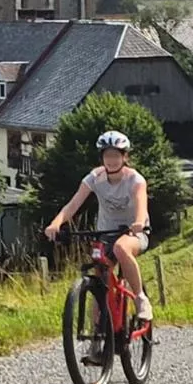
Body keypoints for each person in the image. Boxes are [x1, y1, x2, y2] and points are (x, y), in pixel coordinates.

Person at [43, 130, 154, 321]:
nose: (111, 160)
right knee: (101, 277)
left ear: (124, 157)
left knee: (121, 248)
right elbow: (73, 204)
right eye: (107, 155)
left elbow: (141, 205)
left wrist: (137, 222)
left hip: (134, 233)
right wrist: (56, 223)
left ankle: (140, 299)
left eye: (115, 155)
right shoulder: (95, 178)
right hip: (106, 234)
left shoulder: (135, 180)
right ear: (101, 157)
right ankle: (98, 333)